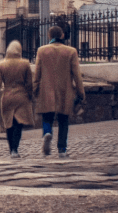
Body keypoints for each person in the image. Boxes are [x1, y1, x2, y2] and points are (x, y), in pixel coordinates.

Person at [34, 25, 85, 158]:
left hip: (46, 89)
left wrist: (34, 90)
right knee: (63, 119)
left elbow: (37, 73)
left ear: (49, 36)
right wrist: (81, 92)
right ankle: (62, 149)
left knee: (47, 116)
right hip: (65, 90)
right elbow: (76, 75)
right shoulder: (71, 51)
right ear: (62, 35)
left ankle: (47, 132)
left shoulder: (41, 51)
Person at [0, 40, 36, 158]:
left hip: (7, 96)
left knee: (8, 124)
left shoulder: (1, 64)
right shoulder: (25, 63)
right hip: (22, 97)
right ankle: (15, 149)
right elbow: (29, 84)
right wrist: (30, 96)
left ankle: (11, 149)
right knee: (18, 124)